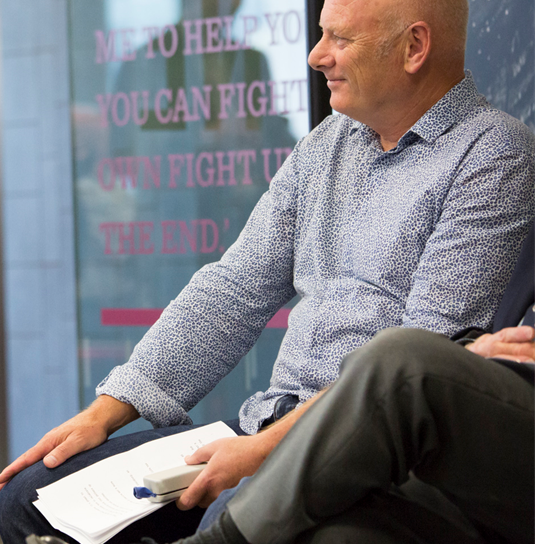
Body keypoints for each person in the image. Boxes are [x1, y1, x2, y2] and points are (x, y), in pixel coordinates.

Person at [0, 0, 535, 544]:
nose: (316, 56)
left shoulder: (493, 155)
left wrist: (261, 453)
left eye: (340, 38)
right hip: (271, 416)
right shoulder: (329, 143)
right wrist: (110, 408)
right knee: (29, 503)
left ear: (414, 47)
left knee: (243, 517)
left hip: (366, 448)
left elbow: (418, 367)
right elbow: (235, 290)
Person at [183, 219, 535, 544]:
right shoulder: (322, 154)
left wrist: (267, 448)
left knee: (402, 361)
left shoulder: (493, 157)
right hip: (467, 452)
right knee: (332, 535)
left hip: (395, 416)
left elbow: (423, 356)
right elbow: (231, 290)